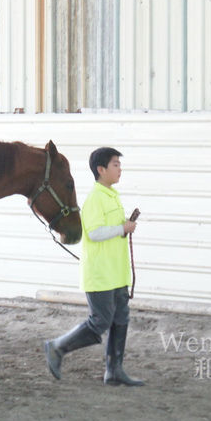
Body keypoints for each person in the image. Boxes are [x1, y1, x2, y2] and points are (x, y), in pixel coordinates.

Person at [43, 147, 144, 387]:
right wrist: (123, 228)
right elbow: (95, 233)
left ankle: (114, 370)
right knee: (100, 320)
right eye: (115, 165)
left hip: (116, 272)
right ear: (101, 169)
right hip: (100, 274)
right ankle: (57, 347)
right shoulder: (95, 199)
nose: (120, 169)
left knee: (121, 318)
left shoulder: (111, 196)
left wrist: (124, 225)